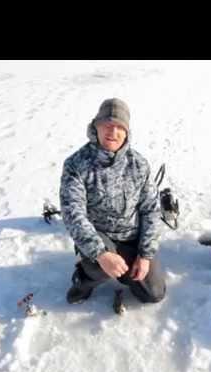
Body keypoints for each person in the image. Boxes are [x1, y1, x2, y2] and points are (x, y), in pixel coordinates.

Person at [59, 98, 166, 305]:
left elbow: (151, 210)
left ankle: (123, 267)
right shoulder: (75, 165)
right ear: (95, 127)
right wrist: (101, 254)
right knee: (99, 266)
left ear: (127, 132)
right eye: (107, 125)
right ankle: (84, 279)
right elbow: (73, 214)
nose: (113, 132)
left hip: (131, 237)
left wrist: (145, 255)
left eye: (120, 127)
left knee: (154, 293)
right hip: (99, 235)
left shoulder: (139, 165)